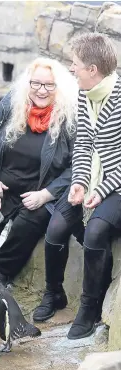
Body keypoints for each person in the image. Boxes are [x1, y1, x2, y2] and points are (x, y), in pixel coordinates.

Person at [0, 57, 84, 310]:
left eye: (49, 85)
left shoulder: (69, 115)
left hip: (41, 190)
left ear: (60, 87)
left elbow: (77, 164)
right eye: (36, 83)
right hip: (3, 186)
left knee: (30, 221)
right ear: (28, 83)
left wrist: (47, 194)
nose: (41, 90)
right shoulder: (12, 102)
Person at [66, 33, 121, 339]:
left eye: (75, 64)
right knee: (65, 218)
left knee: (97, 230)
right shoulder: (83, 94)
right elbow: (84, 144)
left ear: (92, 68)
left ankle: (89, 308)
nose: (71, 69)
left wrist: (100, 190)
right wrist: (80, 182)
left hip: (116, 185)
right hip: (99, 181)